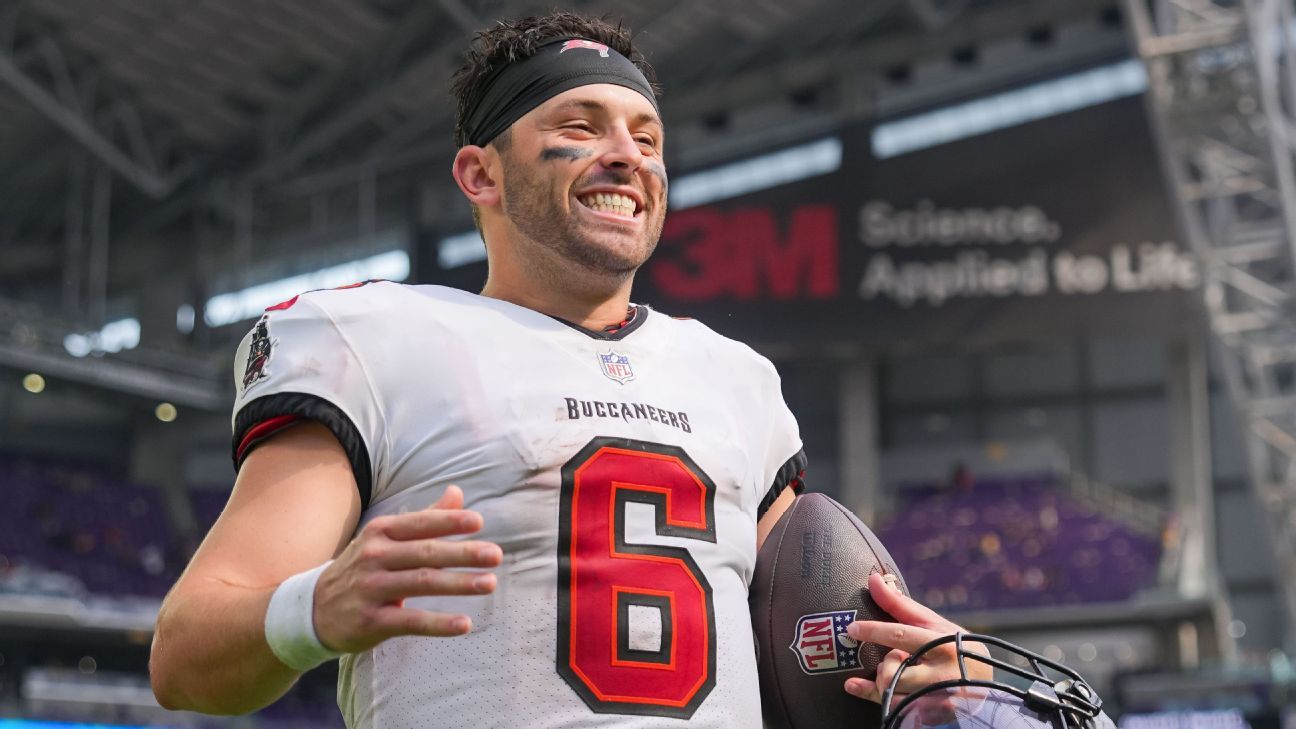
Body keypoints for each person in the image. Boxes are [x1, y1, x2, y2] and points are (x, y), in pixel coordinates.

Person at [149, 11, 986, 727]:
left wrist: (913, 665)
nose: (626, 155)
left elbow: (802, 635)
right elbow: (185, 658)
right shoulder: (374, 340)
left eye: (646, 137)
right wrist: (315, 611)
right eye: (580, 128)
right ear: (481, 174)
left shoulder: (736, 378)